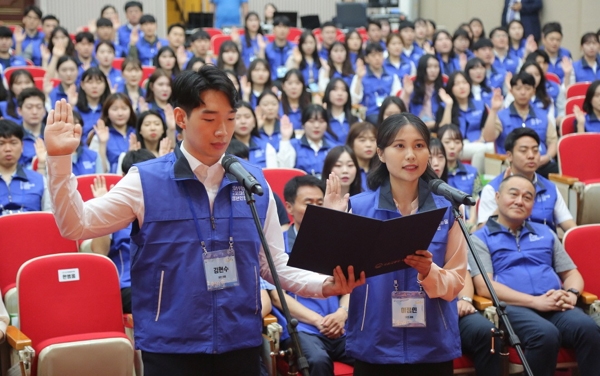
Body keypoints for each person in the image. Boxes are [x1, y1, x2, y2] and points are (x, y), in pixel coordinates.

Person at [43, 66, 364, 375]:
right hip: (171, 346)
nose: (223, 130)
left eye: (230, 118)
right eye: (210, 118)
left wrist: (323, 286)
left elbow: (272, 263)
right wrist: (59, 161)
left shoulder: (252, 183)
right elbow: (77, 224)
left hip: (240, 340)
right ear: (181, 118)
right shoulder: (146, 180)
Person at [326, 113, 467, 375]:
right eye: (399, 146)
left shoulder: (447, 210)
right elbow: (335, 274)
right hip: (375, 344)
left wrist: (429, 272)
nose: (411, 155)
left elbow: (456, 281)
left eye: (419, 145)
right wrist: (333, 221)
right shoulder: (357, 207)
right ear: (380, 153)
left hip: (432, 345)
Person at [471, 174, 600, 376]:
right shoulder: (480, 238)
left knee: (588, 328)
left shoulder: (545, 233)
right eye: (513, 194)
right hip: (513, 307)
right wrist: (534, 302)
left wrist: (572, 294)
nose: (519, 201)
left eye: (528, 197)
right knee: (544, 335)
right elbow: (485, 286)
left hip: (553, 302)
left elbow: (571, 273)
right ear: (497, 197)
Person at [273, 175, 355, 376]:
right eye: (308, 203)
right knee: (318, 361)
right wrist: (318, 321)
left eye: (320, 203)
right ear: (289, 208)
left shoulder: (337, 243)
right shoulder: (279, 246)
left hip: (339, 326)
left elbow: (352, 284)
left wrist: (341, 314)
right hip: (303, 328)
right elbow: (276, 295)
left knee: (372, 354)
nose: (315, 208)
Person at [90, 149, 157, 313]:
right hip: (129, 286)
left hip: (163, 282)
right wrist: (103, 206)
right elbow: (99, 252)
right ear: (124, 177)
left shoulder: (165, 206)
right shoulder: (115, 210)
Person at [477, 127, 575, 232]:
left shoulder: (550, 187)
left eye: (535, 150)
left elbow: (570, 227)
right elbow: (482, 232)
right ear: (509, 156)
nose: (531, 156)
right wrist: (502, 201)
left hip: (545, 246)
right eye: (524, 151)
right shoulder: (492, 189)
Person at [489, 72, 558, 178]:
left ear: (533, 91)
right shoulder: (501, 115)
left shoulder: (543, 115)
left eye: (527, 88)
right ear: (511, 91)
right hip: (511, 166)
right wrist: (493, 111)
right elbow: (489, 137)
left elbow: (552, 141)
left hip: (541, 164)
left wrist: (547, 158)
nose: (523, 92)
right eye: (518, 88)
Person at [0, 120, 50, 215]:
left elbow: (50, 216)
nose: (8, 149)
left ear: (22, 146)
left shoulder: (39, 180)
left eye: (13, 143)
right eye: (1, 143)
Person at [351, 43, 401, 125]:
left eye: (380, 55)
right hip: (370, 113)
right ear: (366, 59)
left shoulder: (392, 75)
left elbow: (396, 96)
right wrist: (359, 78)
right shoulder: (361, 75)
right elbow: (354, 100)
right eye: (373, 56)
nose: (377, 58)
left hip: (389, 112)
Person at [17, 88, 47, 168]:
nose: (34, 112)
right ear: (19, 111)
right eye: (29, 107)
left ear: (44, 111)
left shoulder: (53, 135)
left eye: (39, 107)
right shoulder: (14, 137)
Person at [346, 122, 377, 193]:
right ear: (351, 143)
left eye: (373, 140)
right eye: (362, 140)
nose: (368, 145)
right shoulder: (346, 171)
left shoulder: (381, 170)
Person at [265, 16, 295, 82]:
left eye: (285, 27)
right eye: (279, 27)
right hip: (272, 83)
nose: (282, 30)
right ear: (273, 30)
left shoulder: (295, 48)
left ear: (289, 30)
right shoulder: (267, 48)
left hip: (290, 83)